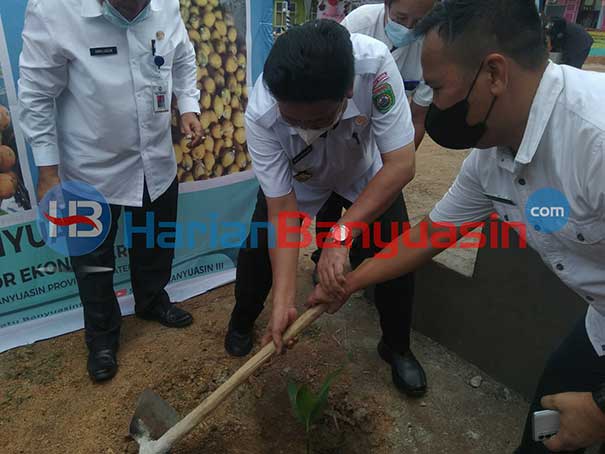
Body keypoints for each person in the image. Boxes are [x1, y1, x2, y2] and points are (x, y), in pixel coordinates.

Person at [308, 1, 605, 452]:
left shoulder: (595, 140)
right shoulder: (490, 158)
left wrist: (601, 407)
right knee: (544, 435)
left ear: (494, 75)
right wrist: (348, 283)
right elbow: (431, 235)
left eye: (437, 87)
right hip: (599, 324)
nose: (430, 104)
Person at [225, 19, 428, 396]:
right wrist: (284, 298)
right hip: (299, 180)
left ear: (348, 91)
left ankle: (397, 346)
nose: (304, 129)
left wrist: (339, 236)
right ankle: (242, 320)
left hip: (363, 175)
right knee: (257, 254)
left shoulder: (375, 67)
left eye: (317, 119)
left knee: (392, 258)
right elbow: (283, 210)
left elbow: (401, 163)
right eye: (293, 120)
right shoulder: (261, 112)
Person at [18, 0, 202, 382]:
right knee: (93, 261)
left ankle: (152, 301)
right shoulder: (54, 11)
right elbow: (36, 95)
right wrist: (48, 171)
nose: (137, 7)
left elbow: (183, 55)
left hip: (154, 158)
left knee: (154, 240)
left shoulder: (165, 5)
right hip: (89, 168)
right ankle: (102, 337)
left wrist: (188, 106)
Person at [311, 0, 436, 288]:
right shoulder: (360, 23)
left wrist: (393, 166)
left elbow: (418, 118)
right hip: (339, 127)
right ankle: (322, 256)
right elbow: (332, 88)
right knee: (328, 203)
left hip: (385, 135)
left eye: (419, 23)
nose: (408, 28)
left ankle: (364, 265)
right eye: (401, 17)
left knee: (378, 208)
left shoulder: (432, 47)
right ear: (387, 6)